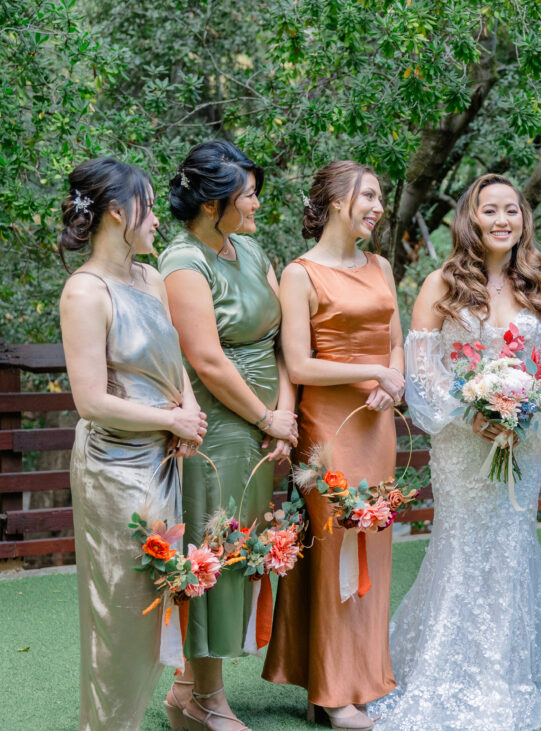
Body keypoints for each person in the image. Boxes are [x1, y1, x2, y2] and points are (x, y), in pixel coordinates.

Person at [369, 174, 541, 730]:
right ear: (472, 217)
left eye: (512, 209)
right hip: (462, 447)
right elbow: (424, 369)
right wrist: (473, 414)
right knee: (460, 543)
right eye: (491, 210)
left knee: (512, 544)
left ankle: (506, 671)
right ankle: (442, 664)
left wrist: (524, 416)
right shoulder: (441, 283)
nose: (502, 219)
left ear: (523, 219)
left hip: (522, 443)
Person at [59, 157, 206, 729]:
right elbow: (90, 401)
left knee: (156, 613)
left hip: (162, 463)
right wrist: (170, 422)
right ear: (118, 213)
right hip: (114, 469)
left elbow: (174, 361)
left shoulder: (151, 280)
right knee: (120, 618)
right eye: (147, 207)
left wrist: (188, 408)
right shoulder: (85, 292)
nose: (157, 222)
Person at [159, 140, 297, 731]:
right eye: (248, 195)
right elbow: (207, 360)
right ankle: (206, 699)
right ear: (214, 204)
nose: (259, 204)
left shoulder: (251, 247)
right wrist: (266, 419)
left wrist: (285, 417)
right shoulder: (183, 262)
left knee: (240, 555)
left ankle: (189, 692)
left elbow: (281, 339)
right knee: (213, 553)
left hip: (267, 431)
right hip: (217, 431)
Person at [263, 161, 404, 729]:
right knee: (333, 549)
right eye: (368, 195)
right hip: (327, 428)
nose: (376, 206)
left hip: (376, 425)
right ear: (336, 199)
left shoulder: (382, 265)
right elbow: (297, 363)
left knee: (373, 546)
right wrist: (373, 369)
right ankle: (329, 689)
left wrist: (391, 384)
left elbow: (396, 341)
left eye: (379, 197)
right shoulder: (301, 274)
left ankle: (362, 677)